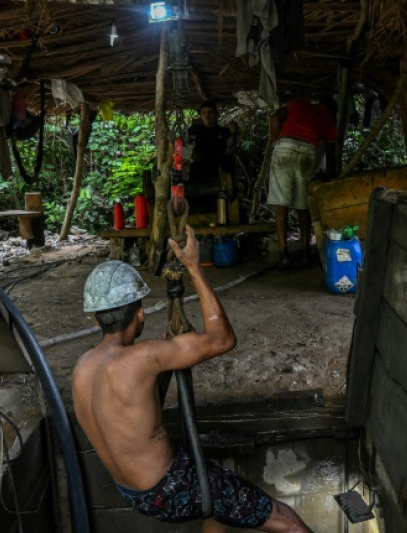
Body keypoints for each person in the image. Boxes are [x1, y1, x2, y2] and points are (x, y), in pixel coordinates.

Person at [72, 226, 314, 533]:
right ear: (141, 313)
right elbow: (222, 339)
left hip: (131, 492)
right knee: (287, 520)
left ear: (95, 318)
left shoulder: (82, 368)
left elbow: (132, 413)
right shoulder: (146, 357)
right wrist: (194, 268)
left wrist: (163, 359)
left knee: (220, 505)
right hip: (171, 489)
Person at [266, 97, 337, 269]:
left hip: (285, 148)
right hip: (307, 153)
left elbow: (274, 117)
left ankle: (284, 254)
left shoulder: (297, 104)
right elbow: (330, 151)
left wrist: (277, 139)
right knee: (303, 206)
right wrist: (330, 175)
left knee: (281, 205)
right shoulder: (327, 118)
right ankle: (305, 253)